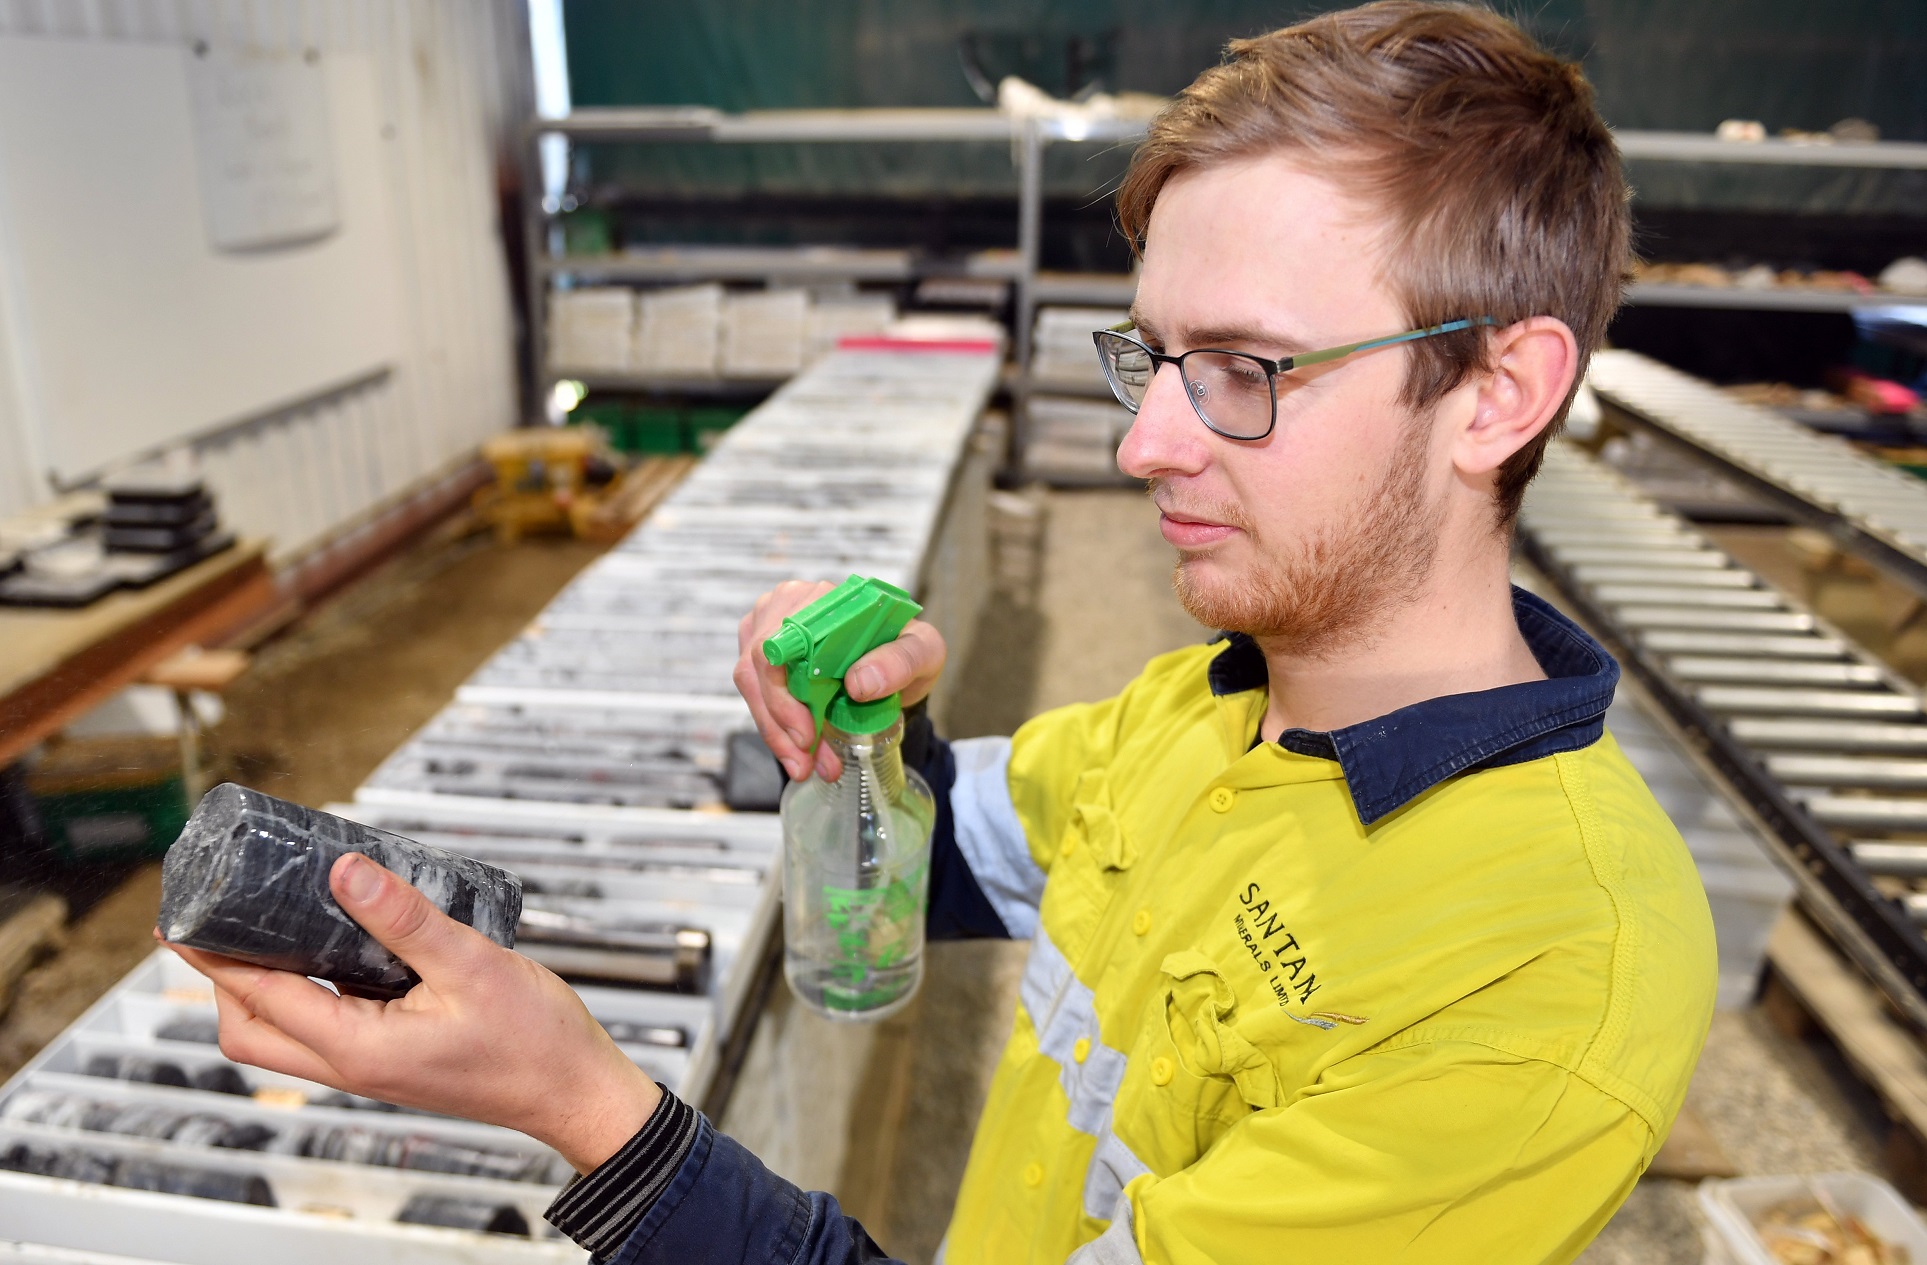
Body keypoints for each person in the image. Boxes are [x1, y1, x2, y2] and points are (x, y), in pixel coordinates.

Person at [166, 4, 1717, 1262]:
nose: (1147, 445)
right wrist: (861, 733)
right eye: (1155, 358)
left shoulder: (1546, 982)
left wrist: (590, 1111)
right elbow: (954, 855)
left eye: (1245, 368)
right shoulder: (1211, 706)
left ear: (1500, 391)